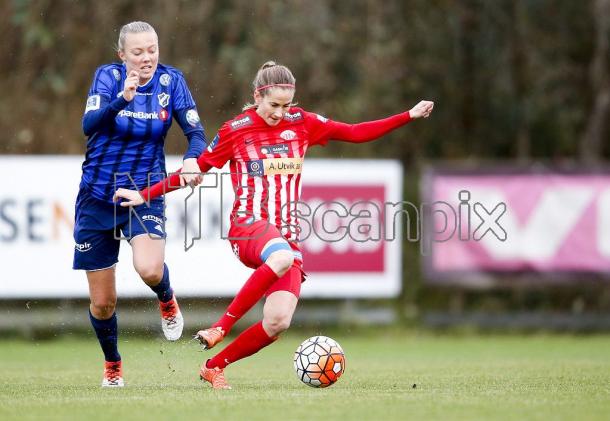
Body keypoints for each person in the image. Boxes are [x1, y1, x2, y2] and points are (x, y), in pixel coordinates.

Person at [114, 61, 433, 389]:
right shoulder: (236, 129)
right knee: (280, 258)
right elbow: (195, 171)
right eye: (273, 105)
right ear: (257, 96)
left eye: (286, 105)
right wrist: (145, 195)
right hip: (247, 226)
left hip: (288, 236)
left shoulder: (303, 123)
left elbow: (353, 132)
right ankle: (220, 327)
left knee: (277, 322)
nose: (279, 112)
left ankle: (213, 366)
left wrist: (406, 116)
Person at [74, 21, 207, 387]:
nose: (147, 58)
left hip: (144, 190)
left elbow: (196, 133)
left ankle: (166, 297)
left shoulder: (171, 81)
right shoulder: (107, 77)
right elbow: (89, 124)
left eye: (152, 50)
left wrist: (194, 157)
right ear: (122, 55)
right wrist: (123, 99)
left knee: (149, 268)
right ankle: (113, 364)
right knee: (103, 303)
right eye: (137, 52)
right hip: (97, 196)